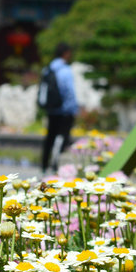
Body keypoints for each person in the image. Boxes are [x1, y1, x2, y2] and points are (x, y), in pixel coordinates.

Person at [41, 43, 78, 174]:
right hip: (64, 110)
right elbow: (69, 92)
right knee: (63, 138)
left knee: (50, 137)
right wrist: (74, 108)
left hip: (51, 109)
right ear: (66, 53)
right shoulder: (65, 70)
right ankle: (58, 166)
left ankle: (44, 166)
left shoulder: (48, 69)